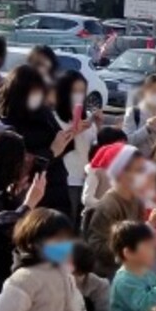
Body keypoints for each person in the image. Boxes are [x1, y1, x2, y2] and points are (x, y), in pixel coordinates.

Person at [0, 64, 72, 216]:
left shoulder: (44, 114)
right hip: (28, 198)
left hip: (55, 188)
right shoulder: (7, 126)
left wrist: (68, 136)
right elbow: (16, 167)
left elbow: (61, 145)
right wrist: (51, 152)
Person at [85, 143, 152, 278]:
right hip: (110, 272)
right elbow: (95, 244)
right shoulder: (109, 205)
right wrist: (127, 249)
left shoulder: (137, 199)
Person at [52, 70, 100, 221]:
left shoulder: (87, 117)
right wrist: (74, 131)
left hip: (87, 181)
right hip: (67, 180)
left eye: (82, 91)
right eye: (74, 91)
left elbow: (93, 148)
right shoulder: (54, 118)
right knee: (67, 222)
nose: (78, 96)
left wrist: (99, 127)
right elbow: (55, 151)